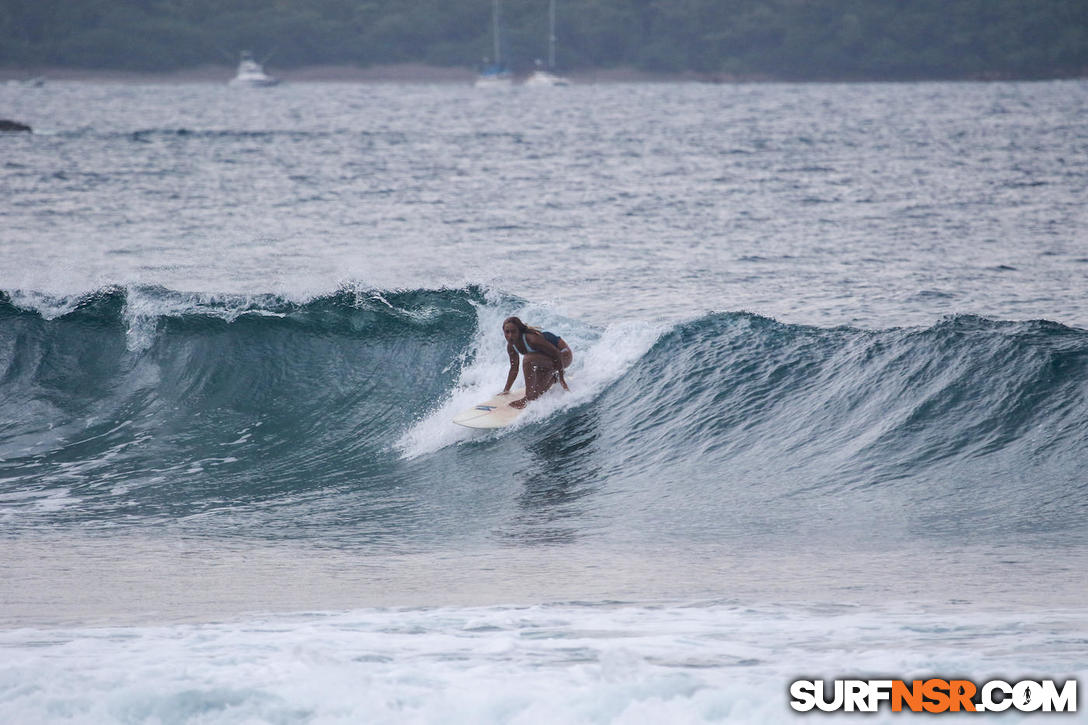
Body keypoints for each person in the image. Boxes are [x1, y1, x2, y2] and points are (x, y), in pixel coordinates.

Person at [501, 316, 572, 408]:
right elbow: (514, 368)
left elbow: (556, 353)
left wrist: (562, 378)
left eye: (513, 331)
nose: (510, 335)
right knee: (535, 395)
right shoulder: (511, 346)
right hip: (546, 360)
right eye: (507, 332)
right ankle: (554, 378)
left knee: (528, 359)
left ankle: (527, 398)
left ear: (519, 331)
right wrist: (506, 390)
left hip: (564, 355)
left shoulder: (532, 339)